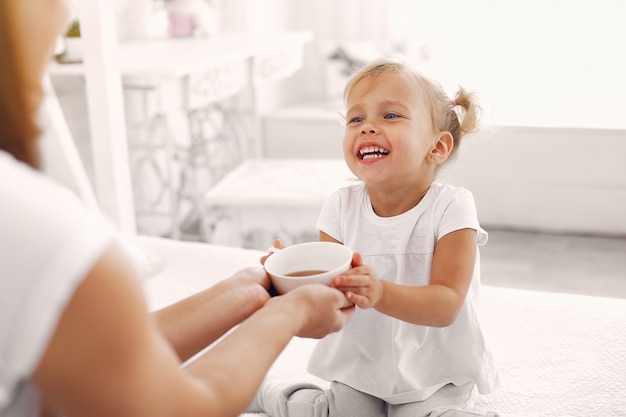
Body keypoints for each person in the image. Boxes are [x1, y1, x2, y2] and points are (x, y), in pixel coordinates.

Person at [0, 1, 355, 416]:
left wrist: (242, 294)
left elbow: (101, 358)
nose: (63, 15)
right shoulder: (36, 230)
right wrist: (290, 313)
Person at [250, 59, 500, 416]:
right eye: (356, 119)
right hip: (361, 365)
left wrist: (380, 292)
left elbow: (446, 305)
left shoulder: (452, 208)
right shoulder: (340, 206)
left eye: (390, 116)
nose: (367, 127)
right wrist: (287, 280)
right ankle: (275, 395)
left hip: (435, 372)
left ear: (437, 147)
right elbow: (329, 298)